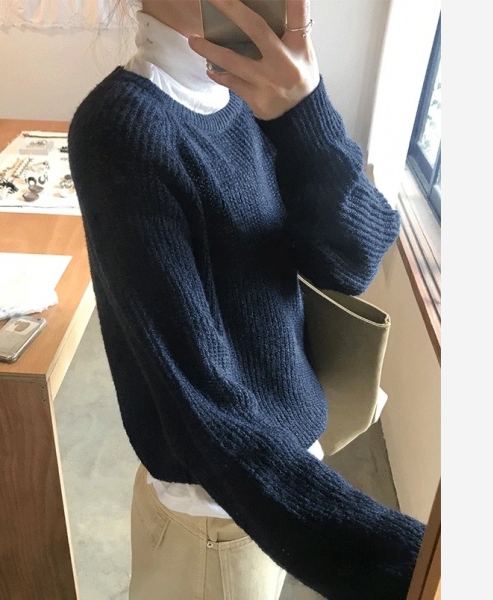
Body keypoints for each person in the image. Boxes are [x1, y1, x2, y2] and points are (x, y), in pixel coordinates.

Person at [68, 0, 426, 598]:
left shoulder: (253, 95)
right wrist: (416, 567)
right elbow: (201, 409)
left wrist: (306, 115)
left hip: (282, 461)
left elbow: (351, 262)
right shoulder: (123, 131)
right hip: (220, 513)